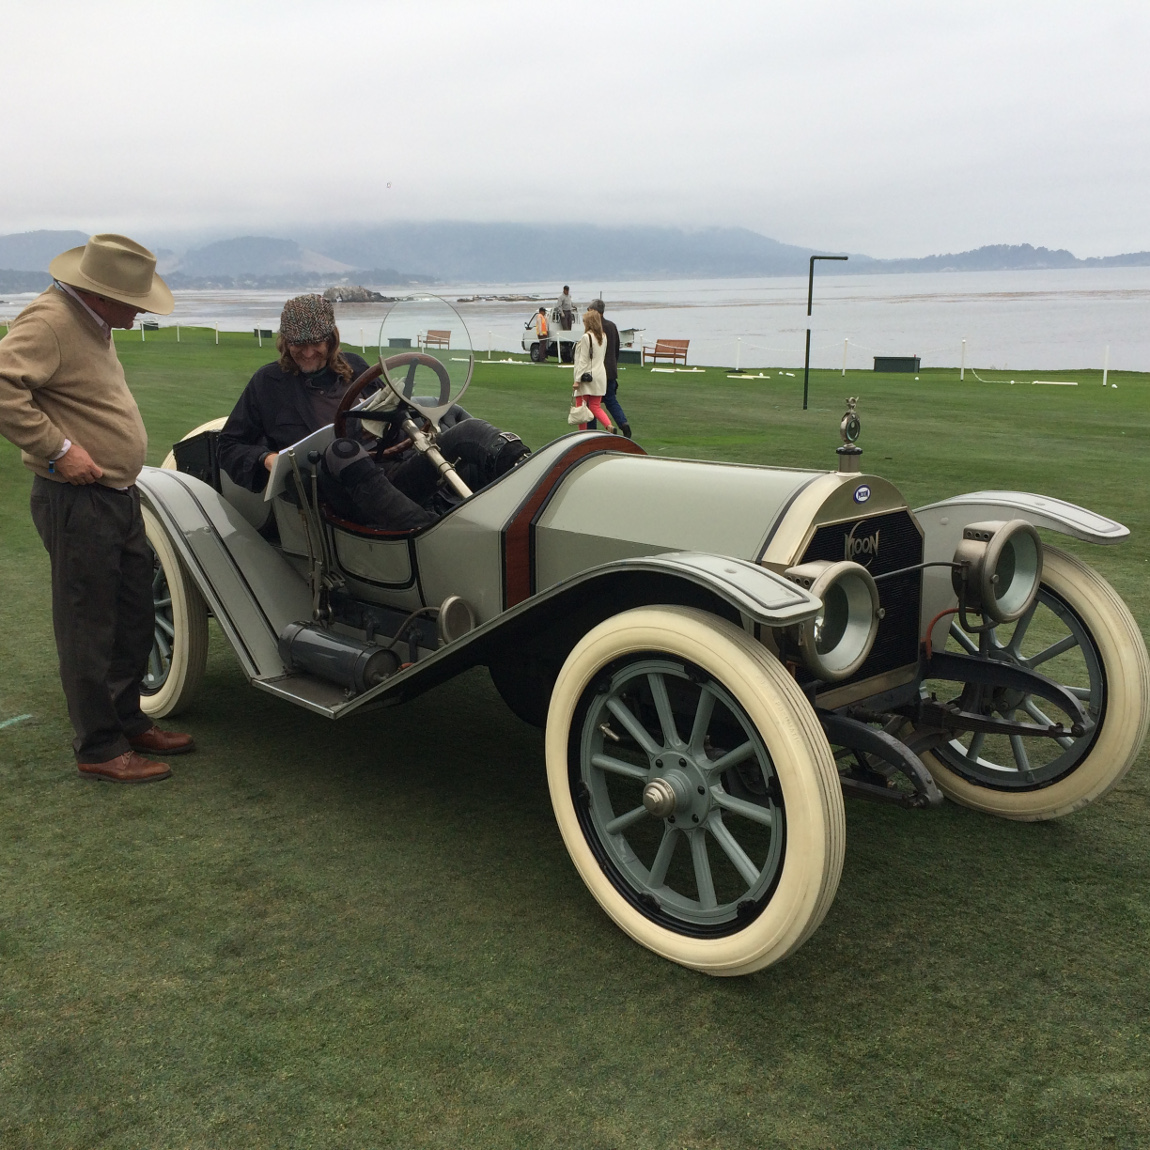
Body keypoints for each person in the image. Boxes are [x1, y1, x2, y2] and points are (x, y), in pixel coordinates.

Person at [0, 234, 194, 783]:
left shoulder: (93, 322)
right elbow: (3, 386)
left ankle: (128, 721)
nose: (138, 310)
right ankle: (99, 747)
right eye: (134, 300)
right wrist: (59, 449)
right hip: (77, 498)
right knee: (89, 623)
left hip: (116, 493)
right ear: (102, 293)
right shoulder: (50, 319)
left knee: (133, 612)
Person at [219, 295, 529, 531]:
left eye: (316, 344)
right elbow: (229, 445)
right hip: (336, 494)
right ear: (285, 343)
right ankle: (430, 532)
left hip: (390, 473)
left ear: (331, 340)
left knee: (468, 431)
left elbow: (390, 413)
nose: (308, 352)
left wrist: (416, 425)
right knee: (342, 449)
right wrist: (266, 459)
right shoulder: (267, 383)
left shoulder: (354, 366)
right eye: (298, 345)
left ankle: (529, 473)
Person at [589, 299, 631, 438]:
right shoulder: (612, 326)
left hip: (598, 372)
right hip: (611, 370)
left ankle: (591, 433)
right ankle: (623, 423)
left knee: (592, 403)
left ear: (595, 312)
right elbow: (616, 349)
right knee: (611, 400)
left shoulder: (595, 328)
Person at [572, 307, 612, 432]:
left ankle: (582, 434)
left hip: (587, 376)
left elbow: (583, 361)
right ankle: (609, 425)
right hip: (600, 374)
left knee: (581, 407)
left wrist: (577, 380)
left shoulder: (586, 337)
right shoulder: (603, 337)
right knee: (595, 406)